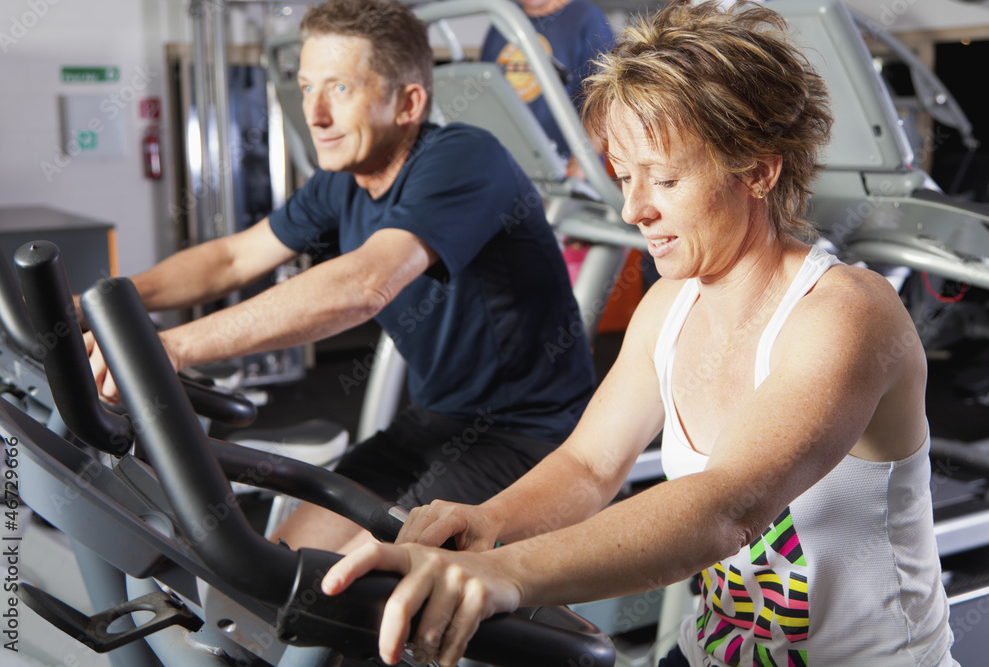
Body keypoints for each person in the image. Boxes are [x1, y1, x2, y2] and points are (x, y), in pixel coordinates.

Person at [321, 3, 958, 666]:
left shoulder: (847, 315)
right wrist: (491, 521)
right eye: (626, 177)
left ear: (760, 171)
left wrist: (504, 572)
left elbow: (726, 509)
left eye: (667, 179)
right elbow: (589, 465)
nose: (633, 209)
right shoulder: (667, 307)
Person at [85, 0, 595, 554]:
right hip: (430, 423)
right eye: (306, 88)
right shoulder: (345, 179)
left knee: (350, 588)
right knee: (273, 572)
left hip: (526, 437)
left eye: (340, 89)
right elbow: (232, 259)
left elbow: (363, 284)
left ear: (408, 103)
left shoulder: (466, 158)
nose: (315, 114)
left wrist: (170, 346)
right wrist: (97, 304)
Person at [481, 0, 614, 175]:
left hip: (566, 176)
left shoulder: (587, 18)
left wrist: (579, 168)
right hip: (510, 171)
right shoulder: (502, 21)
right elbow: (485, 98)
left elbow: (608, 101)